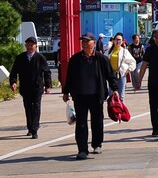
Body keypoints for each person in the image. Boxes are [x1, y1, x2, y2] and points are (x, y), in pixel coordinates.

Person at [62, 32, 119, 160]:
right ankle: (82, 149)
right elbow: (69, 77)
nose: (84, 43)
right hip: (80, 96)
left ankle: (97, 144)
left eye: (87, 41)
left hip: (96, 95)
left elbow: (110, 75)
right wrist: (66, 92)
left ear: (94, 43)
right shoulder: (75, 59)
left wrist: (115, 89)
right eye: (83, 41)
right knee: (81, 123)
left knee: (97, 121)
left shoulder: (101, 58)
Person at [9, 37, 51, 139]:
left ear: (36, 46)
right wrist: (13, 82)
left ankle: (34, 129)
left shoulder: (41, 58)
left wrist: (47, 85)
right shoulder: (20, 58)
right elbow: (14, 71)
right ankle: (30, 127)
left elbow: (47, 72)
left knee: (36, 107)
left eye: (31, 45)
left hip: (37, 87)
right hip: (25, 87)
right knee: (28, 108)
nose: (29, 47)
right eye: (27, 45)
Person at [106, 32, 136, 101]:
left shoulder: (124, 51)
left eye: (119, 40)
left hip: (121, 75)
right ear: (113, 41)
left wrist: (128, 69)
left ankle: (121, 111)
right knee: (111, 95)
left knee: (121, 95)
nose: (117, 41)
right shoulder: (109, 51)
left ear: (122, 41)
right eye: (116, 39)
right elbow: (104, 61)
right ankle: (112, 110)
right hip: (111, 76)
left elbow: (132, 62)